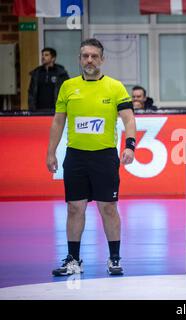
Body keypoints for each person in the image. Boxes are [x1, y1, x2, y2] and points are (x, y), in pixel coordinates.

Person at [46, 38, 136, 277]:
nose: (89, 60)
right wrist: (51, 151)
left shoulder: (115, 87)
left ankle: (114, 258)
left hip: (104, 157)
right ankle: (74, 260)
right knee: (75, 208)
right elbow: (58, 121)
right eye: (85, 56)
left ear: (102, 59)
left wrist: (130, 146)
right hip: (76, 157)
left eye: (94, 56)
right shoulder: (68, 86)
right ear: (79, 59)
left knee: (108, 208)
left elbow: (128, 119)